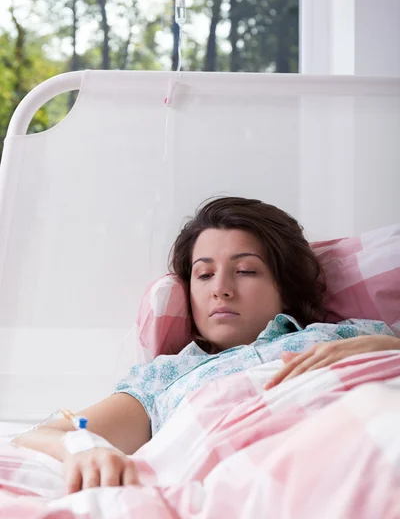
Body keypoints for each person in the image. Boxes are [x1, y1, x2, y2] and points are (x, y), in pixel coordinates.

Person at [13, 197, 399, 494]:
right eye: (204, 274)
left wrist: (386, 346)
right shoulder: (167, 375)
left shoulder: (350, 335)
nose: (221, 289)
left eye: (246, 270)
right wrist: (82, 446)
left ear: (285, 288)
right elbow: (52, 430)